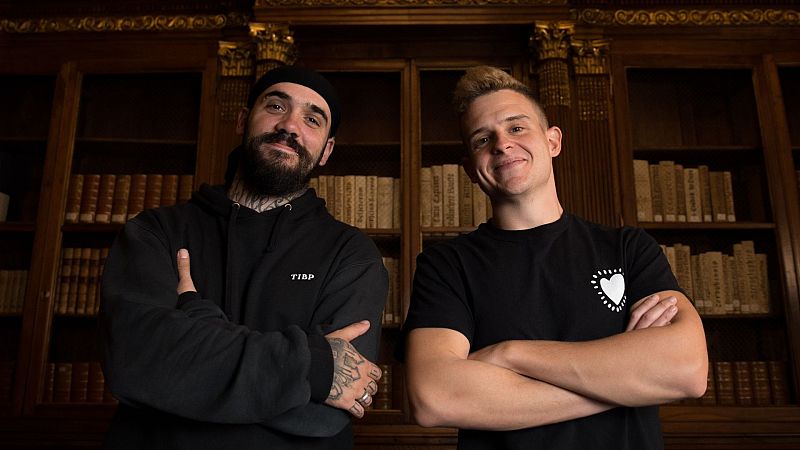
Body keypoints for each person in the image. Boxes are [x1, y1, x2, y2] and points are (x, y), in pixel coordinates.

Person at [402, 66, 708, 449]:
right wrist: (626, 383)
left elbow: (687, 370)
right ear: (470, 170)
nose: (502, 144)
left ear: (553, 141)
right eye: (482, 138)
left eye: (516, 127)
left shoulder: (629, 248)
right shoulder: (445, 265)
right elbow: (435, 398)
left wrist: (509, 354)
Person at [99, 65, 388, 449]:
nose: (289, 125)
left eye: (312, 119)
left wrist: (197, 317)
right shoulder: (157, 232)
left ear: (327, 151)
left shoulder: (351, 254)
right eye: (275, 106)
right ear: (241, 120)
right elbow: (134, 362)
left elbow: (325, 412)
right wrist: (313, 367)